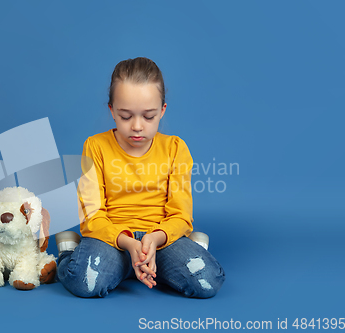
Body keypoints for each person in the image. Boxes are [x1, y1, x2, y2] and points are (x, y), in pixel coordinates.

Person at [56, 57, 225, 298]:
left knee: (207, 282)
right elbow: (92, 217)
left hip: (161, 239)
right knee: (86, 283)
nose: (137, 126)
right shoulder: (95, 146)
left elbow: (181, 214)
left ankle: (179, 253)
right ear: (112, 110)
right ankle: (68, 253)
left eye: (148, 116)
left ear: (162, 111)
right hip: (112, 239)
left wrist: (154, 240)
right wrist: (129, 244)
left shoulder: (175, 148)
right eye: (126, 116)